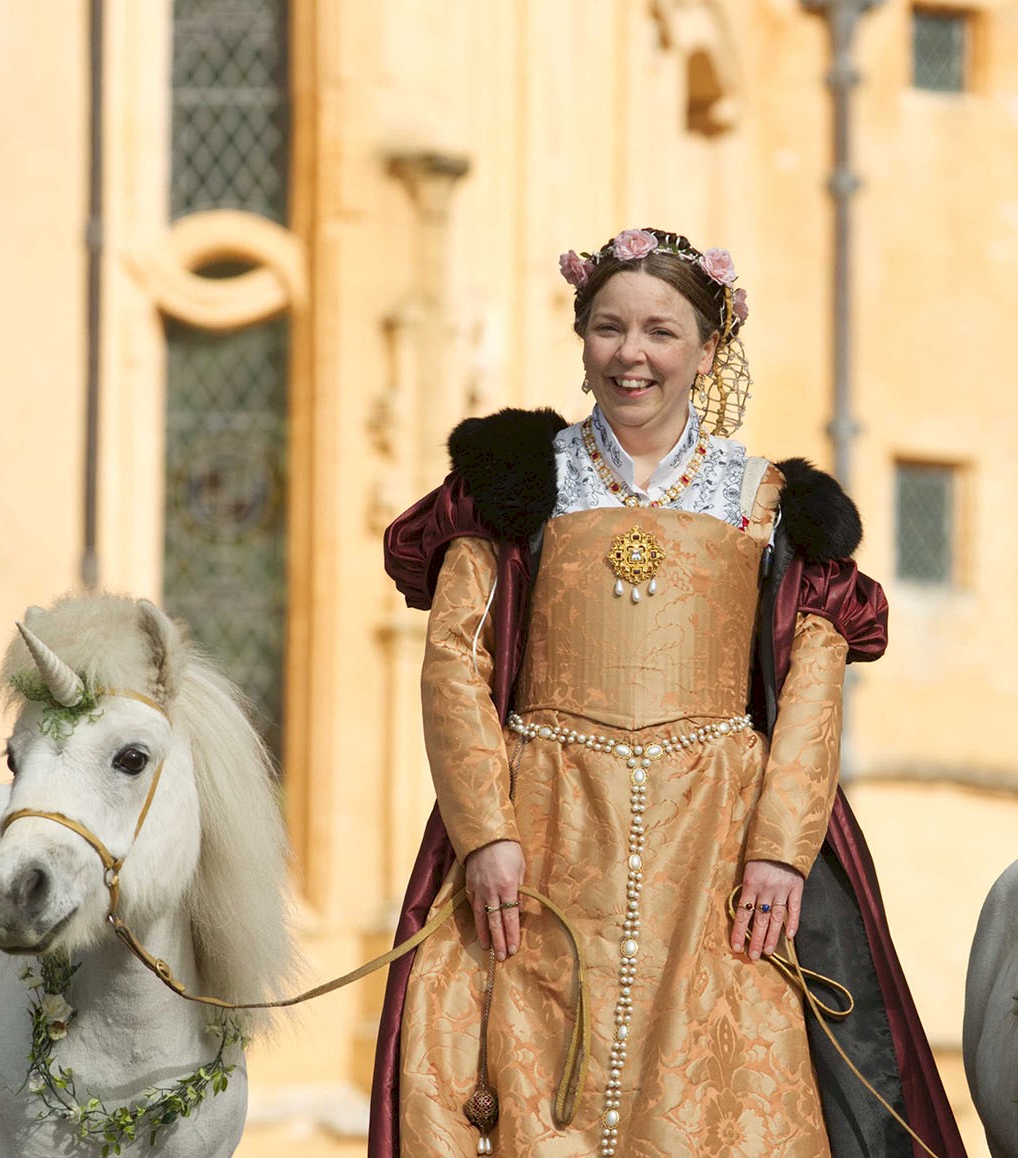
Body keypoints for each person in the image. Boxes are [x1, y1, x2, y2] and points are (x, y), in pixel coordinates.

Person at [369, 228, 965, 1158]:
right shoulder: (518, 487)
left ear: (707, 349)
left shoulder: (768, 503)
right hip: (547, 827)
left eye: (660, 332)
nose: (631, 355)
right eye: (609, 329)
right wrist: (485, 831)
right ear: (582, 339)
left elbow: (814, 682)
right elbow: (456, 659)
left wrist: (780, 851)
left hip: (718, 846)